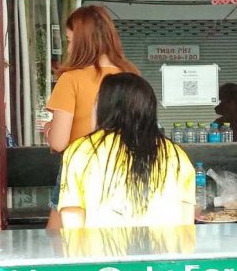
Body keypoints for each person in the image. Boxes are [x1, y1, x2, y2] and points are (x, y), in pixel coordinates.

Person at [44, 5, 139, 229]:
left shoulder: (71, 79)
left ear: (83, 41)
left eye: (70, 40)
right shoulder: (130, 75)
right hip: (124, 169)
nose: (69, 48)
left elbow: (58, 143)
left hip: (79, 170)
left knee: (57, 239)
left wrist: (48, 129)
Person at [58, 73, 196, 228]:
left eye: (96, 102)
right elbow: (186, 225)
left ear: (106, 108)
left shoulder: (81, 151)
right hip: (165, 244)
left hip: (101, 244)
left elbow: (73, 220)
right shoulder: (176, 154)